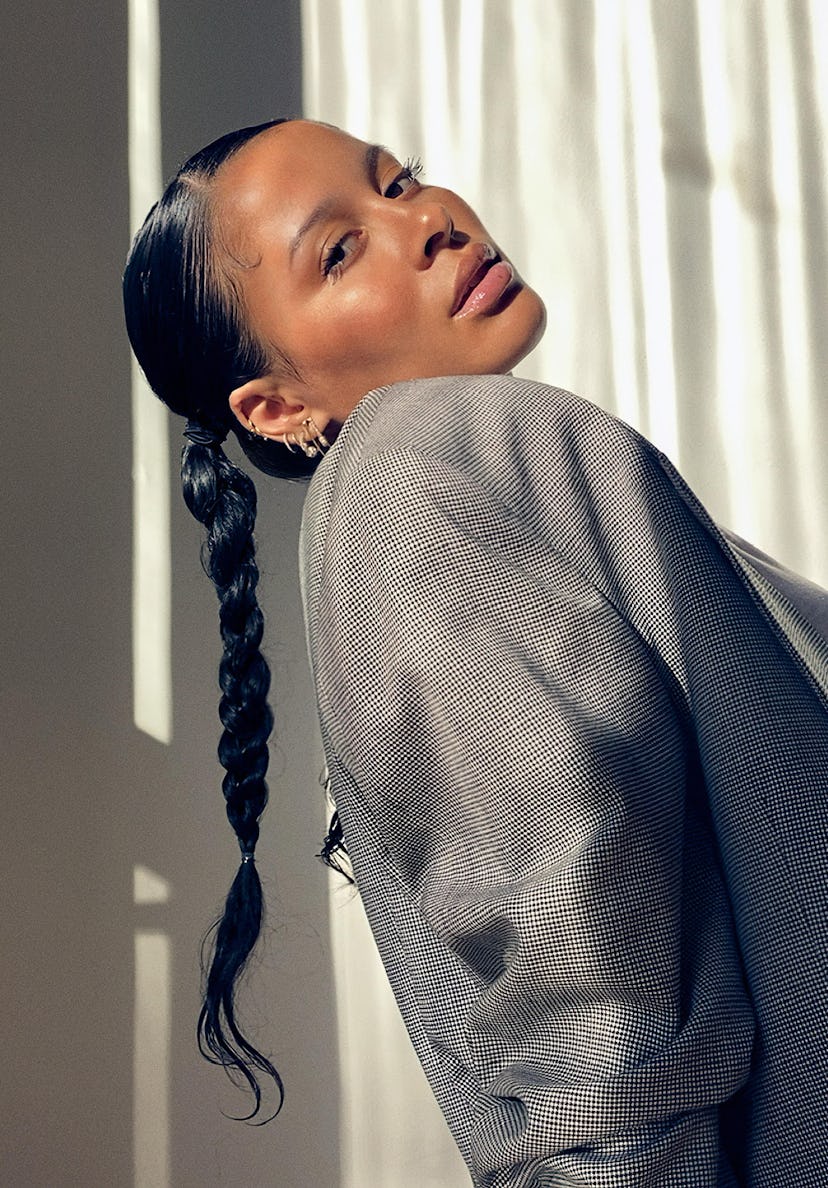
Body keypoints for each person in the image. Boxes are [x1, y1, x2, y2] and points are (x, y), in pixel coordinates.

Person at [123, 118, 828, 1186]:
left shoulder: (496, 480)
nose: (429, 222)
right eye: (339, 251)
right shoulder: (412, 473)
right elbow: (584, 985)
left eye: (398, 182)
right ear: (278, 408)